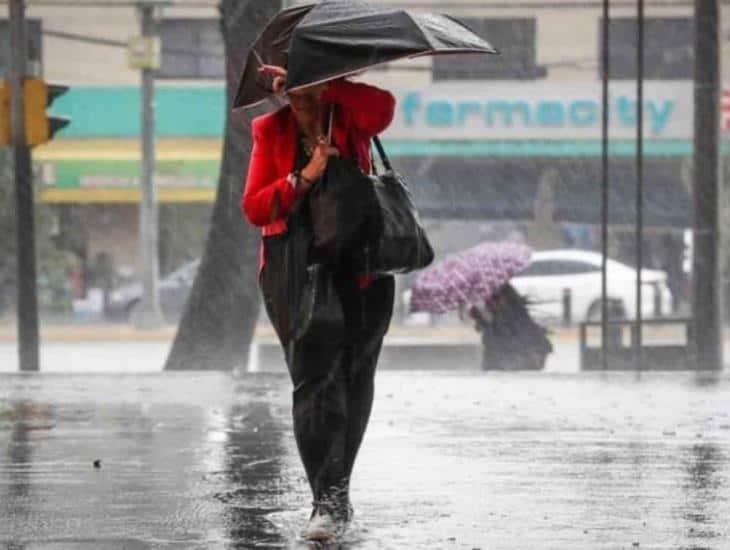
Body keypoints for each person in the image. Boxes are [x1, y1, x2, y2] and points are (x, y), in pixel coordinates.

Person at [242, 64, 396, 543]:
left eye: (303, 84)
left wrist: (328, 84)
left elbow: (385, 108)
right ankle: (325, 502)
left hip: (363, 266)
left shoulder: (348, 114)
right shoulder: (271, 130)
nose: (298, 98)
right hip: (296, 270)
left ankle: (337, 492)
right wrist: (304, 178)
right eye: (291, 89)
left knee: (355, 379)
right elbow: (254, 206)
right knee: (314, 382)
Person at [469, 283, 552, 371]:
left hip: (518, 361)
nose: (491, 304)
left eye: (495, 299)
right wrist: (480, 319)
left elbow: (528, 340)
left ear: (506, 299)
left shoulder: (515, 317)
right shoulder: (496, 317)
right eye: (488, 301)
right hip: (503, 362)